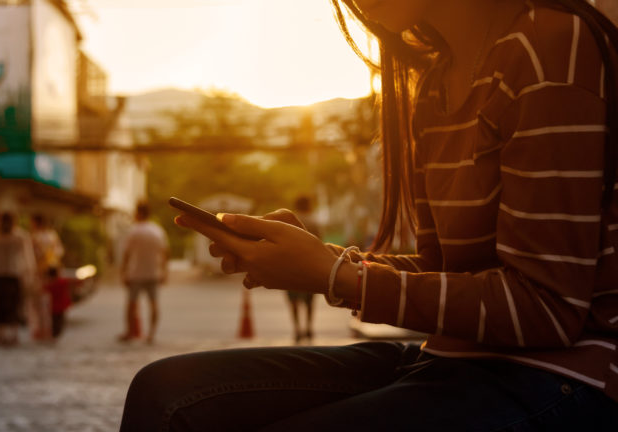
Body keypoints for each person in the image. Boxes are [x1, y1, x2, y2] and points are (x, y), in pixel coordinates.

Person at [121, 0, 618, 430]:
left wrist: (337, 276)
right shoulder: (434, 86)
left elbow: (546, 308)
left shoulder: (549, 45)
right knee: (164, 392)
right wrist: (322, 261)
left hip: (568, 377)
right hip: (456, 358)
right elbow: (450, 276)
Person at [118, 201, 169, 344]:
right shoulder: (157, 230)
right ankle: (151, 334)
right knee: (153, 304)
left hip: (136, 273)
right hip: (153, 272)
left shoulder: (133, 230)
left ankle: (129, 332)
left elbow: (126, 254)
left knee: (131, 304)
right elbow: (165, 252)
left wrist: (123, 271)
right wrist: (165, 271)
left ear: (138, 213)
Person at [0, 213, 36, 345]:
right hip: (2, 275)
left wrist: (29, 273)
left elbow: (28, 257)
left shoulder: (18, 236)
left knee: (11, 305)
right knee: (0, 305)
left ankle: (10, 334)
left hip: (10, 275)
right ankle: (4, 334)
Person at [285, 195, 321, 343]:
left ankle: (297, 329)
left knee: (293, 301)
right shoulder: (314, 222)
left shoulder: (289, 221)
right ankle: (309, 328)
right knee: (310, 301)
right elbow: (319, 245)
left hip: (292, 266)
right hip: (310, 266)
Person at [29, 214, 64, 341]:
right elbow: (59, 253)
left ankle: (41, 330)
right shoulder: (53, 236)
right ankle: (49, 329)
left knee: (39, 304)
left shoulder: (35, 237)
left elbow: (32, 257)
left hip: (40, 273)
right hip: (53, 272)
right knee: (50, 302)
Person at [43, 266, 71, 340]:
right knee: (59, 321)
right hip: (61, 306)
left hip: (54, 307)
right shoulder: (62, 282)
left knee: (55, 322)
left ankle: (55, 335)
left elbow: (44, 289)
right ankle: (57, 334)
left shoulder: (51, 285)